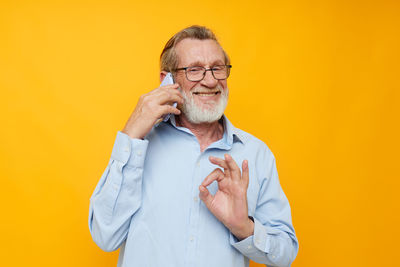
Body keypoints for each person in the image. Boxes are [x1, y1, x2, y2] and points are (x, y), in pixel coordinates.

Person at [89, 25, 298, 267]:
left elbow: (285, 253)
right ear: (167, 80)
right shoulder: (138, 147)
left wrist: (244, 228)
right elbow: (105, 236)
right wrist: (131, 135)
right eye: (195, 70)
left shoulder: (256, 154)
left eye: (217, 69)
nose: (210, 81)